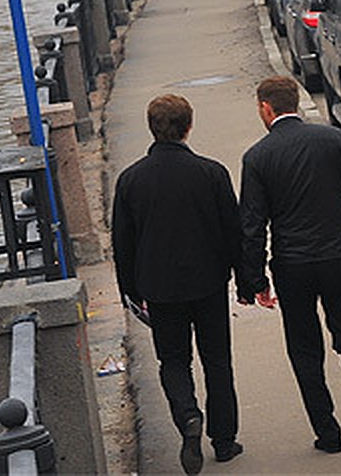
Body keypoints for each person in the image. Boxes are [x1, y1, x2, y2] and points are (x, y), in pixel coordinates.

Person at [238, 76, 341, 458]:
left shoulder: (257, 157)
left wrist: (256, 280)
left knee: (305, 349)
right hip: (339, 256)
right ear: (294, 102)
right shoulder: (332, 141)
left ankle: (328, 433)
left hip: (292, 265)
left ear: (265, 108)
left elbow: (252, 226)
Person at [112, 95, 244, 475]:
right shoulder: (211, 173)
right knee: (217, 360)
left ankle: (188, 416)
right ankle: (224, 440)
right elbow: (232, 231)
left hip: (159, 287)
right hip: (209, 282)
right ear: (189, 126)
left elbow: (123, 243)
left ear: (152, 128)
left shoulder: (131, 180)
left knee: (173, 360)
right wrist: (247, 278)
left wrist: (131, 292)